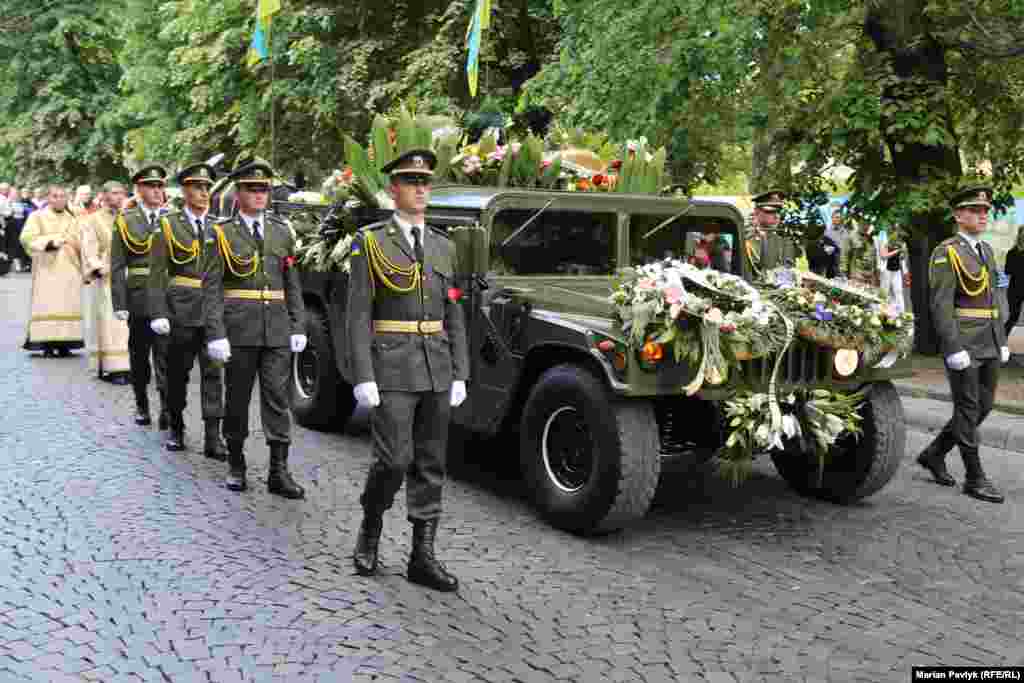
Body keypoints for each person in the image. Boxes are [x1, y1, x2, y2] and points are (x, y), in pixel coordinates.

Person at [348, 149, 469, 592]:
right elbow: (358, 312)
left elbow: (454, 309)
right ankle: (371, 526)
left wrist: (461, 372)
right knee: (393, 460)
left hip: (436, 365)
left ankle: (422, 555)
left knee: (432, 463)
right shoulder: (372, 242)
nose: (420, 188)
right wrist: (363, 375)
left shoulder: (444, 245)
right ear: (392, 189)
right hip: (392, 366)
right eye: (410, 181)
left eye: (425, 181)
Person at [204, 158, 307, 497]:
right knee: (237, 398)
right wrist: (216, 333)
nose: (260, 194)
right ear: (238, 192)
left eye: (264, 189)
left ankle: (279, 471)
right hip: (239, 329)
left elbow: (292, 283)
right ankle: (236, 462)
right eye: (252, 189)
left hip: (276, 328)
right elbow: (212, 287)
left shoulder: (282, 230)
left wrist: (298, 324)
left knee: (278, 398)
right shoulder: (220, 233)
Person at [916, 186, 1010, 504]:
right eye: (974, 210)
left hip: (990, 341)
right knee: (968, 408)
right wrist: (953, 346)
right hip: (965, 342)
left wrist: (1003, 338)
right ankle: (975, 477)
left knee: (983, 406)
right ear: (958, 215)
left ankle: (934, 452)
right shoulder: (947, 251)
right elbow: (941, 304)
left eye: (985, 211)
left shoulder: (986, 251)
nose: (982, 215)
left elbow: (998, 296)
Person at [149, 163, 228, 459]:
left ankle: (212, 436)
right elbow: (157, 274)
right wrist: (158, 313)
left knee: (213, 374)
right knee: (177, 375)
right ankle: (176, 427)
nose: (204, 193)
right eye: (198, 187)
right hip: (179, 312)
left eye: (207, 187)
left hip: (212, 313)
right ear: (184, 190)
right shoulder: (168, 225)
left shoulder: (220, 226)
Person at [111, 165, 171, 428]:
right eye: (151, 186)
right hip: (138, 297)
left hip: (168, 296)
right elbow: (116, 265)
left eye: (160, 186)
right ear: (139, 189)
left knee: (166, 357)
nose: (157, 191)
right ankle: (141, 403)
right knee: (139, 355)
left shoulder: (173, 218)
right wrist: (119, 302)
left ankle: (168, 408)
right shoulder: (126, 220)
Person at [19, 186, 85, 356]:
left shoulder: (74, 218)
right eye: (55, 196)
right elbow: (26, 238)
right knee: (47, 304)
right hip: (46, 268)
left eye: (63, 196)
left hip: (70, 268)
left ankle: (66, 343)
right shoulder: (37, 217)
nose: (59, 199)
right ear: (49, 198)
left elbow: (83, 239)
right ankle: (47, 343)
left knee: (68, 305)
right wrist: (49, 242)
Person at [79, 182, 132, 383]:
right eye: (114, 193)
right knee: (112, 323)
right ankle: (115, 368)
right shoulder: (92, 220)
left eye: (121, 193)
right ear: (103, 195)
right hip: (108, 278)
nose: (119, 197)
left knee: (130, 325)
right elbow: (88, 247)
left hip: (130, 277)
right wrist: (97, 266)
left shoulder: (129, 218)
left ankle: (131, 364)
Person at [745, 190, 796, 277]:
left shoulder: (782, 237)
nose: (776, 216)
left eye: (779, 212)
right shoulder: (746, 236)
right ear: (757, 211)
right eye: (771, 211)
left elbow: (789, 269)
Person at [840, 219, 881, 287]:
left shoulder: (870, 239)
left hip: (869, 277)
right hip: (856, 274)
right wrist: (843, 272)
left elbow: (874, 257)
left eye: (868, 224)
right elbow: (844, 255)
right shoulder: (851, 236)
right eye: (864, 224)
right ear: (859, 224)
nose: (866, 226)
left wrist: (876, 275)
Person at [878, 229, 911, 313]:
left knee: (898, 291)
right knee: (884, 292)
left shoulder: (901, 243)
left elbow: (902, 258)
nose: (896, 236)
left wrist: (903, 253)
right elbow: (883, 256)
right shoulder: (884, 241)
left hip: (896, 271)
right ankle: (882, 312)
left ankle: (901, 313)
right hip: (886, 271)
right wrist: (897, 251)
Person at [1003, 226, 1024, 340]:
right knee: (1013, 317)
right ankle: (1001, 341)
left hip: (1017, 287)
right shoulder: (1012, 253)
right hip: (1015, 289)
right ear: (1019, 235)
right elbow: (1007, 270)